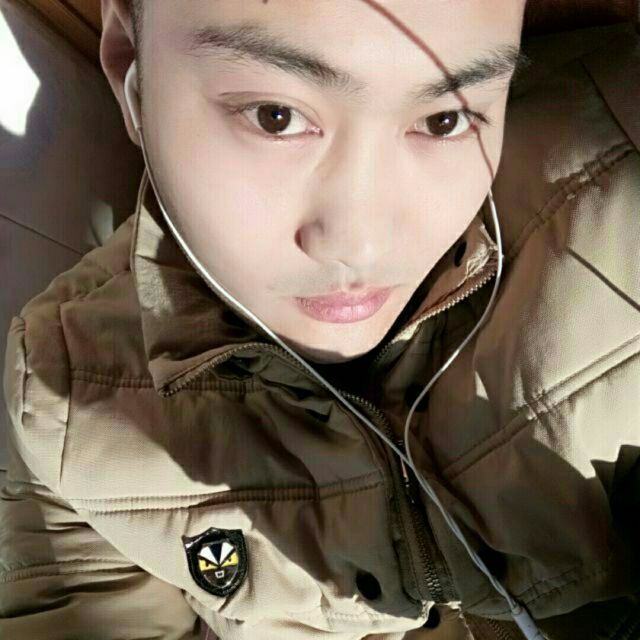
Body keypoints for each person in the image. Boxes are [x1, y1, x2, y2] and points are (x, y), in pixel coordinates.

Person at [1, 1, 639, 638]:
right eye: (274, 117)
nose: (362, 246)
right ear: (131, 71)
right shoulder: (64, 394)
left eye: (444, 120)